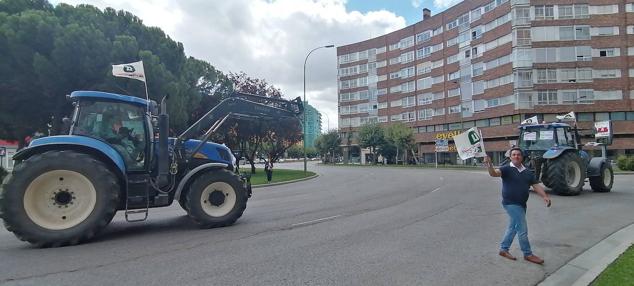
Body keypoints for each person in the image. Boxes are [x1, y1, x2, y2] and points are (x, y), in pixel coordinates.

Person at [483, 147, 551, 265]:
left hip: (521, 204)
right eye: (513, 154)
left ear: (522, 157)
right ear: (510, 157)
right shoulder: (506, 169)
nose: (516, 156)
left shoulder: (528, 172)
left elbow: (536, 186)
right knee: (522, 229)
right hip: (510, 203)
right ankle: (528, 254)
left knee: (513, 227)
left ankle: (504, 249)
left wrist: (545, 196)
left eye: (518, 154)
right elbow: (493, 173)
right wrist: (489, 164)